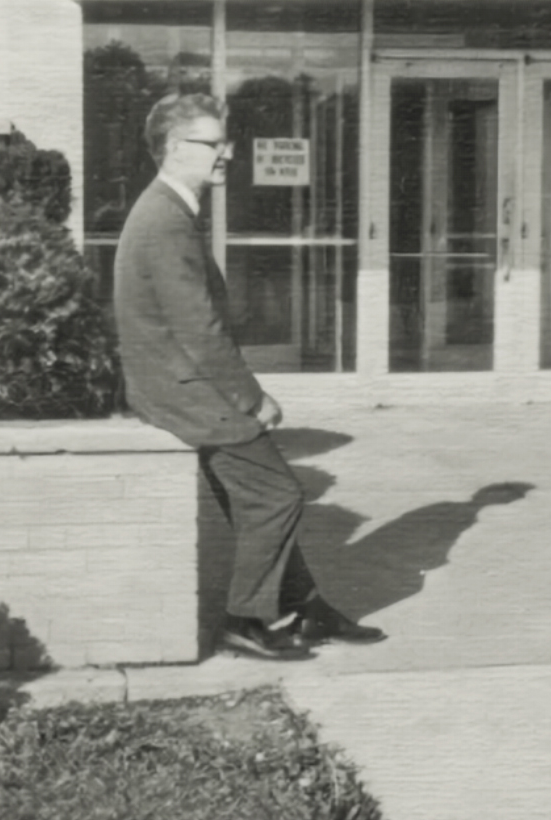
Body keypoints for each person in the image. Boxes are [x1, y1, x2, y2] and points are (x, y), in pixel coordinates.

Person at [114, 93, 386, 661]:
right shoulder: (165, 219)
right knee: (277, 495)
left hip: (178, 384)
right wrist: (252, 399)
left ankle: (307, 607)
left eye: (225, 142)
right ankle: (246, 620)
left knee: (260, 495)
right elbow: (200, 331)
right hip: (184, 391)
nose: (227, 154)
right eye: (213, 143)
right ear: (173, 147)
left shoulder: (166, 210)